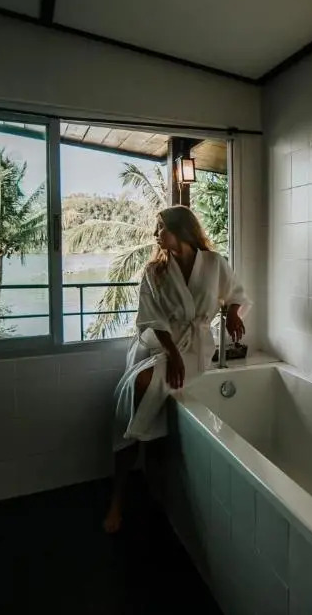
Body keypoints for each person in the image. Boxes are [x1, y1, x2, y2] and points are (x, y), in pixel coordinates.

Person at [104, 205, 249, 533]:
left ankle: (158, 495)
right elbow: (151, 319)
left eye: (160, 228)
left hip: (196, 350)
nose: (155, 234)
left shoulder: (214, 263)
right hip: (161, 347)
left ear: (181, 229)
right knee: (137, 394)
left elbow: (235, 293)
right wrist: (172, 354)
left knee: (157, 418)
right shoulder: (154, 271)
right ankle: (118, 498)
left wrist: (233, 314)